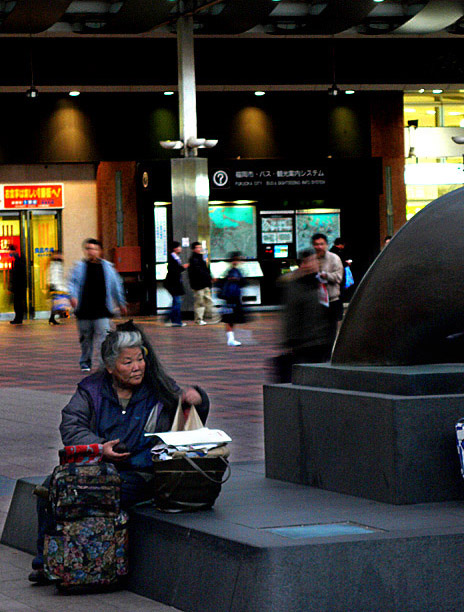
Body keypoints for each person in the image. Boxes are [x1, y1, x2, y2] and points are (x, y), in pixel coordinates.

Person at [28, 320, 210, 585]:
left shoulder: (158, 387)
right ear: (111, 367)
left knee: (91, 492)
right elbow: (71, 425)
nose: (137, 367)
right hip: (98, 466)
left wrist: (198, 399)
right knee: (51, 488)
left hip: (141, 472)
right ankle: (48, 563)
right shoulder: (91, 389)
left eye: (140, 359)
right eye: (128, 362)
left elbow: (189, 417)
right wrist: (101, 448)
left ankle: (93, 563)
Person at [69, 238, 127, 372]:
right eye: (88, 249)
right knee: (85, 339)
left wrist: (121, 302)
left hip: (102, 309)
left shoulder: (107, 268)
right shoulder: (79, 267)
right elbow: (73, 283)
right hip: (84, 310)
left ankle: (102, 364)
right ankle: (85, 362)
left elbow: (116, 286)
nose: (91, 252)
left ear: (99, 251)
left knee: (103, 338)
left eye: (94, 249)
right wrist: (73, 296)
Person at [276, 249, 331, 382]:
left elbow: (326, 310)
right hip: (304, 345)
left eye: (315, 260)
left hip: (321, 342)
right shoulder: (294, 286)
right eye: (308, 261)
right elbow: (291, 316)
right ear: (302, 264)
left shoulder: (320, 283)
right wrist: (291, 342)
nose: (312, 264)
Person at [311, 233, 344, 348]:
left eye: (321, 244)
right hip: (316, 301)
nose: (319, 247)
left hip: (332, 300)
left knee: (331, 331)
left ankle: (328, 353)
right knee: (317, 330)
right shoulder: (311, 259)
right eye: (316, 244)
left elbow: (339, 277)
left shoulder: (334, 258)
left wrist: (326, 276)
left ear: (326, 245)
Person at [188, 241, 219, 325]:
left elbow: (206, 269)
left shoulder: (201, 258)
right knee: (200, 302)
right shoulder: (193, 259)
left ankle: (212, 316)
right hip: (198, 284)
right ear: (193, 249)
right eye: (197, 247)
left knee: (208, 300)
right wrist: (208, 277)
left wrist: (210, 277)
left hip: (204, 283)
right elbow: (198, 272)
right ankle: (199, 319)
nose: (199, 249)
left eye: (200, 247)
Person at [220, 251, 246, 346]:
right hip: (232, 297)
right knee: (230, 318)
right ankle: (230, 339)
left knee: (230, 318)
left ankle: (231, 338)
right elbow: (241, 282)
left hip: (231, 297)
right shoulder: (233, 272)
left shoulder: (231, 271)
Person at [163, 241, 188, 327]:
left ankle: (171, 318)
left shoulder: (176, 258)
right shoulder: (172, 258)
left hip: (175, 283)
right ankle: (175, 320)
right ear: (175, 248)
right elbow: (174, 271)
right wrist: (182, 267)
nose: (180, 248)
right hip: (173, 284)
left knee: (176, 302)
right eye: (179, 247)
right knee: (177, 302)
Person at [8, 243, 27, 325]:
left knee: (18, 303)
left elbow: (16, 275)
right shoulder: (19, 259)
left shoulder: (18, 260)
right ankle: (18, 317)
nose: (10, 253)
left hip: (19, 286)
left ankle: (18, 318)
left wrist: (12, 286)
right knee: (18, 302)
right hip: (20, 286)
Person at [47, 251, 67, 325]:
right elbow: (54, 276)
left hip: (58, 286)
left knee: (57, 303)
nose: (60, 256)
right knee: (57, 303)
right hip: (56, 287)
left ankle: (52, 318)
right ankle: (53, 318)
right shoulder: (54, 264)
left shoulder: (58, 263)